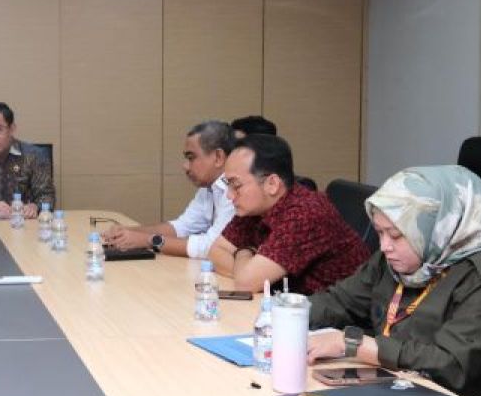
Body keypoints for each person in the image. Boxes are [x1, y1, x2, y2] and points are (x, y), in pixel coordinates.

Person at [306, 165, 481, 396]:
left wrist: (352, 344)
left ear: (437, 228)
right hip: (404, 388)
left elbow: (449, 364)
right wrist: (288, 314)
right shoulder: (392, 262)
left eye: (396, 235)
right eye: (379, 233)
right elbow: (339, 301)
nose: (385, 246)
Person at [209, 134, 369, 292]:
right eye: (227, 184)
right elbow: (216, 253)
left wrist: (244, 251)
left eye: (236, 185)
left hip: (336, 306)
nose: (229, 195)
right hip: (288, 301)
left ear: (272, 184)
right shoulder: (255, 207)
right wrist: (249, 267)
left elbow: (246, 284)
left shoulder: (305, 214)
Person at [102, 120, 236, 257]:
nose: (185, 166)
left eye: (191, 158)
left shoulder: (235, 191)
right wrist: (129, 232)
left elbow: (211, 246)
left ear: (218, 157)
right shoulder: (208, 188)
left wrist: (148, 240)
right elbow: (182, 227)